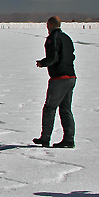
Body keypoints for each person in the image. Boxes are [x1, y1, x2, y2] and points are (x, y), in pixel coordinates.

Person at [33, 16, 77, 148]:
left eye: (47, 25)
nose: (47, 27)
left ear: (51, 25)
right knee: (65, 109)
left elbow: (53, 57)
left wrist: (43, 63)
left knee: (49, 108)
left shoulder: (53, 38)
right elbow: (72, 55)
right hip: (71, 77)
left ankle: (45, 138)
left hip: (59, 79)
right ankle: (69, 140)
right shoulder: (67, 38)